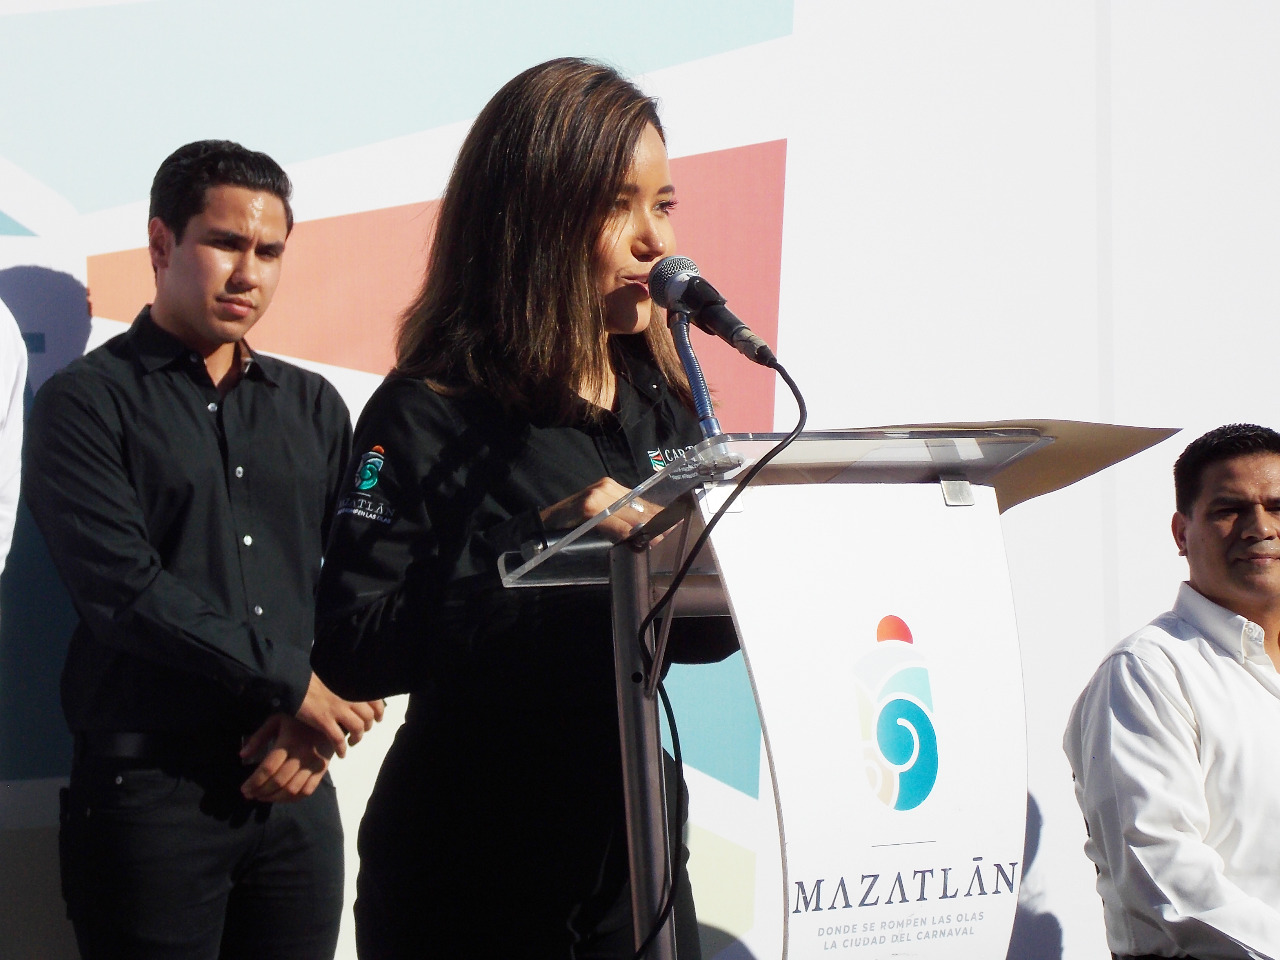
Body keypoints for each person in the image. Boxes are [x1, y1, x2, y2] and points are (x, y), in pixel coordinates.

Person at [314, 58, 737, 959]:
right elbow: (351, 645)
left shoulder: (661, 397)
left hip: (633, 853)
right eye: (617, 206)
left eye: (664, 205)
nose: (653, 240)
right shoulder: (428, 409)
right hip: (472, 868)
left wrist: (739, 568)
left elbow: (696, 640)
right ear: (531, 219)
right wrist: (538, 543)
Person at [25, 139, 384, 959]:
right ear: (161, 244)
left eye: (269, 251)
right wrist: (291, 681)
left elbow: (363, 576)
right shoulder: (86, 405)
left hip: (296, 788)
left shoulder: (315, 406)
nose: (248, 272)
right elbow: (125, 592)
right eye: (225, 243)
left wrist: (322, 717)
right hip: (151, 799)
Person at [1064, 423, 1280, 960]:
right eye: (1229, 509)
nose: (1260, 528)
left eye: (1278, 507)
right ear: (1182, 533)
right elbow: (1163, 876)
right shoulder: (1146, 672)